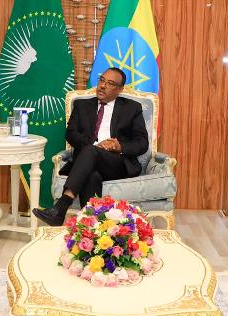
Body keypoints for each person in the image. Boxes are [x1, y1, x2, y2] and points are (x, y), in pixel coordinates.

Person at [32, 67, 149, 226]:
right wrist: (95, 146)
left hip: (117, 163)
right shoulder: (82, 105)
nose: (102, 86)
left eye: (110, 83)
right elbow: (71, 134)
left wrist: (118, 146)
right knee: (92, 174)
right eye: (102, 80)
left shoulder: (132, 108)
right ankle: (92, 226)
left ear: (120, 89)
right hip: (88, 161)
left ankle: (61, 206)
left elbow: (142, 143)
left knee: (91, 152)